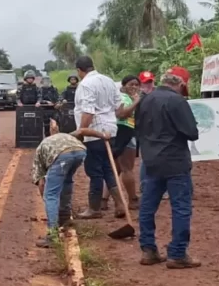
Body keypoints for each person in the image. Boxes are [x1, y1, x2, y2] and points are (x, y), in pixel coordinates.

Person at [135, 66, 200, 269]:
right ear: (181, 84)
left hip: (151, 161)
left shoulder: (145, 100)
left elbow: (139, 130)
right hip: (175, 162)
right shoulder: (177, 101)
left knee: (147, 206)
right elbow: (192, 132)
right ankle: (177, 253)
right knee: (180, 207)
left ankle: (148, 250)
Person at [31, 119, 109, 248]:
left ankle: (52, 235)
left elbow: (41, 183)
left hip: (61, 156)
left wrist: (48, 203)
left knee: (51, 195)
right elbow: (84, 130)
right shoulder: (67, 135)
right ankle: (65, 217)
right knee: (66, 180)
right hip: (79, 150)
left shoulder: (42, 147)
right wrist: (103, 136)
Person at [72, 55, 124, 219]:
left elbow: (88, 111)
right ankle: (120, 204)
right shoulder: (108, 80)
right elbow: (119, 106)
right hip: (111, 130)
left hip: (94, 133)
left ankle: (94, 208)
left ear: (79, 70)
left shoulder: (85, 84)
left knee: (95, 171)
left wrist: (82, 130)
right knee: (108, 169)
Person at [109, 75, 141, 210]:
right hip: (124, 132)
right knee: (127, 168)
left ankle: (104, 200)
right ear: (123, 86)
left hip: (120, 132)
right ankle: (133, 200)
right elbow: (121, 114)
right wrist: (136, 101)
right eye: (131, 84)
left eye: (136, 85)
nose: (134, 87)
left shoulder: (123, 97)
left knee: (115, 169)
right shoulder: (123, 98)